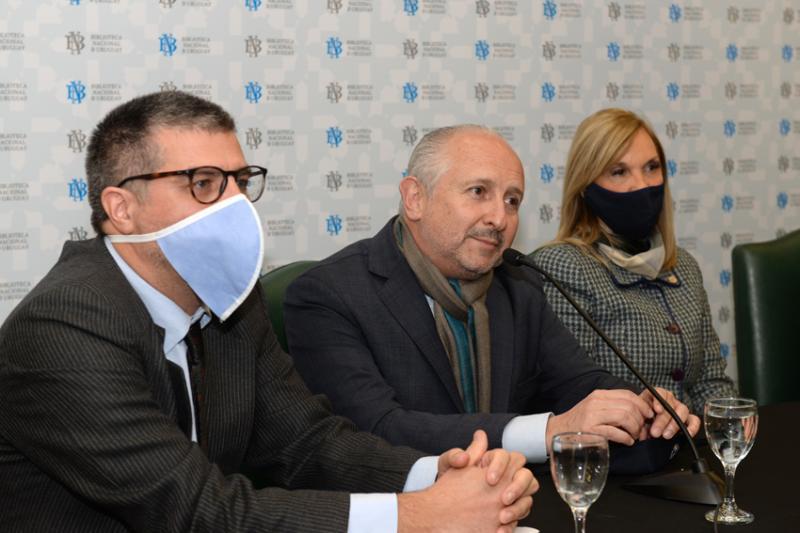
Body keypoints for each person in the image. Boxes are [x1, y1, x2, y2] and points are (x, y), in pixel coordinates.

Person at [0, 92, 537, 533]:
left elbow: (305, 441)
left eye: (239, 181)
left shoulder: (231, 300)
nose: (236, 203)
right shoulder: (64, 325)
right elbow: (196, 509)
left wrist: (430, 474)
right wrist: (416, 515)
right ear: (122, 207)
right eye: (205, 184)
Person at [284, 124, 700, 468]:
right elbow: (376, 430)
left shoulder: (517, 286)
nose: (499, 218)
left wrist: (640, 404)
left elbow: (579, 382)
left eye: (512, 200)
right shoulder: (330, 295)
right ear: (415, 198)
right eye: (478, 192)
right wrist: (548, 430)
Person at [531, 108, 736, 414]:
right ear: (586, 185)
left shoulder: (683, 266)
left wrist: (728, 425)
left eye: (652, 167)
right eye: (619, 171)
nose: (641, 185)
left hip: (693, 450)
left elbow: (711, 381)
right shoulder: (563, 266)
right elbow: (573, 394)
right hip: (620, 456)